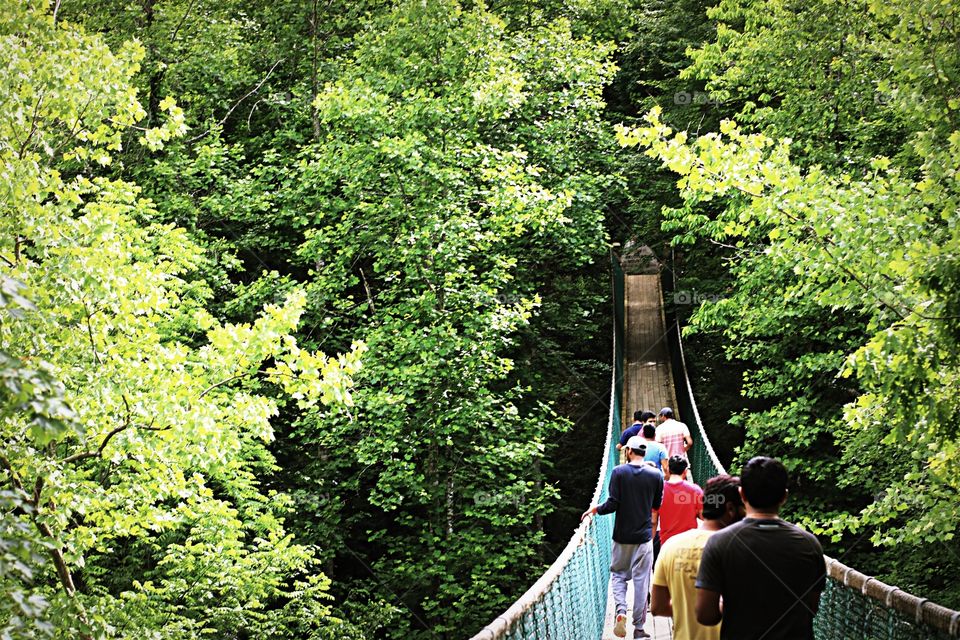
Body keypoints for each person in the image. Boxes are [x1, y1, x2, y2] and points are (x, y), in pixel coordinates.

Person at [695, 457, 826, 640]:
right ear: (784, 496)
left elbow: (705, 615)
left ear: (742, 494)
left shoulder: (720, 543)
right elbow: (811, 608)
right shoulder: (809, 544)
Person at [583, 436, 663, 639]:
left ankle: (620, 611)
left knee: (618, 575)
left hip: (621, 537)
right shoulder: (656, 475)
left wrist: (594, 509)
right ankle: (638, 629)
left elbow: (612, 504)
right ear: (644, 453)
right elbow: (656, 504)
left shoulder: (618, 472)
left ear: (628, 451)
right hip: (644, 537)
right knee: (641, 581)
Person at [651, 475, 744, 640]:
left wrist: (686, 608)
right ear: (730, 509)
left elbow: (657, 607)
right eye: (743, 507)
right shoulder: (741, 549)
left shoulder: (671, 546)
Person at [658, 456, 702, 547]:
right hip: (689, 543)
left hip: (667, 543)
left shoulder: (659, 489)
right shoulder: (695, 490)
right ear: (685, 471)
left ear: (668, 469)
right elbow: (703, 516)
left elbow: (654, 516)